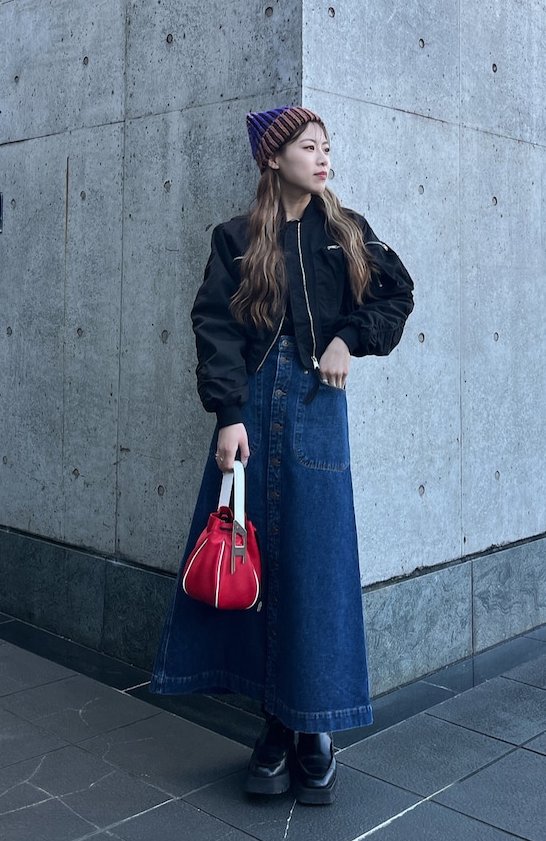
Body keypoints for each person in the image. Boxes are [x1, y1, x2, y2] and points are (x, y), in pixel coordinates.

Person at [150, 105, 414, 805]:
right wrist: (228, 415)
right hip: (250, 416)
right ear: (273, 158)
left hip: (317, 412)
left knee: (314, 567)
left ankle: (314, 729)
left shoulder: (345, 231)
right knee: (254, 561)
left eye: (327, 146)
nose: (323, 157)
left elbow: (398, 295)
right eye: (308, 146)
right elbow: (215, 326)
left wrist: (347, 338)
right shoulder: (236, 238)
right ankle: (273, 726)